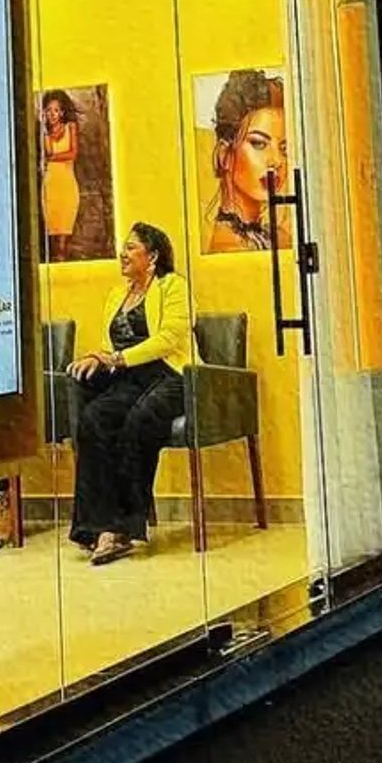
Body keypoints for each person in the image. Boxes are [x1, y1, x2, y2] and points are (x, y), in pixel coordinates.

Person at [67, 222, 193, 565]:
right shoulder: (116, 294)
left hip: (172, 375)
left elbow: (169, 339)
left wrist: (118, 358)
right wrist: (98, 356)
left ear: (152, 257)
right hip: (130, 377)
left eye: (131, 247)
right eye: (123, 247)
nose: (122, 254)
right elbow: (110, 346)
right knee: (94, 420)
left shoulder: (173, 287)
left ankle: (122, 529)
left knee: (138, 422)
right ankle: (95, 526)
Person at [203, 67, 291, 253]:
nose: (277, 161)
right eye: (259, 144)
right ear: (224, 154)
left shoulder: (278, 236)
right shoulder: (228, 245)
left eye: (284, 149)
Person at [39, 88, 81, 260]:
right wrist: (44, 128)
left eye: (56, 110)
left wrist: (53, 158)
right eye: (48, 111)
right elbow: (47, 154)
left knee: (64, 239)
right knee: (53, 238)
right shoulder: (46, 135)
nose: (52, 114)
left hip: (67, 184)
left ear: (62, 112)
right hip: (50, 185)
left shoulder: (71, 127)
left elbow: (72, 153)